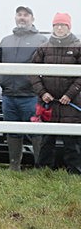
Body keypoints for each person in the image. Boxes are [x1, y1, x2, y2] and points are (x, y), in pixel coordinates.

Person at [0, 6, 48, 170]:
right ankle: (14, 166)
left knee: (36, 133)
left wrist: (38, 88)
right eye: (19, 14)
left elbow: (47, 66)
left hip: (31, 96)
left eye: (26, 15)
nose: (22, 18)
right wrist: (1, 80)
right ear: (15, 17)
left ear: (32, 18)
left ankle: (40, 167)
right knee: (12, 132)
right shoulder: (6, 40)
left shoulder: (41, 41)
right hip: (9, 96)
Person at [29, 13, 81, 174]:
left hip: (70, 104)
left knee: (71, 141)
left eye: (63, 25)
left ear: (69, 27)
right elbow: (32, 72)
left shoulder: (78, 47)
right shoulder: (44, 48)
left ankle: (75, 172)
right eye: (56, 25)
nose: (59, 28)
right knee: (47, 139)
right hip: (48, 103)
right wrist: (42, 93)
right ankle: (43, 171)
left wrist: (70, 94)